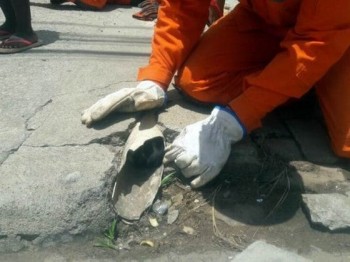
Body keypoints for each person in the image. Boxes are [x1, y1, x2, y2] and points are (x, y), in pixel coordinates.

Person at [81, 0, 350, 188]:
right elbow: (182, 8)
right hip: (264, 20)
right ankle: (294, 84)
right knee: (198, 82)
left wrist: (237, 118)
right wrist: (155, 77)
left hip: (337, 29)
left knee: (346, 143)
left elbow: (317, 41)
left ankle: (301, 81)